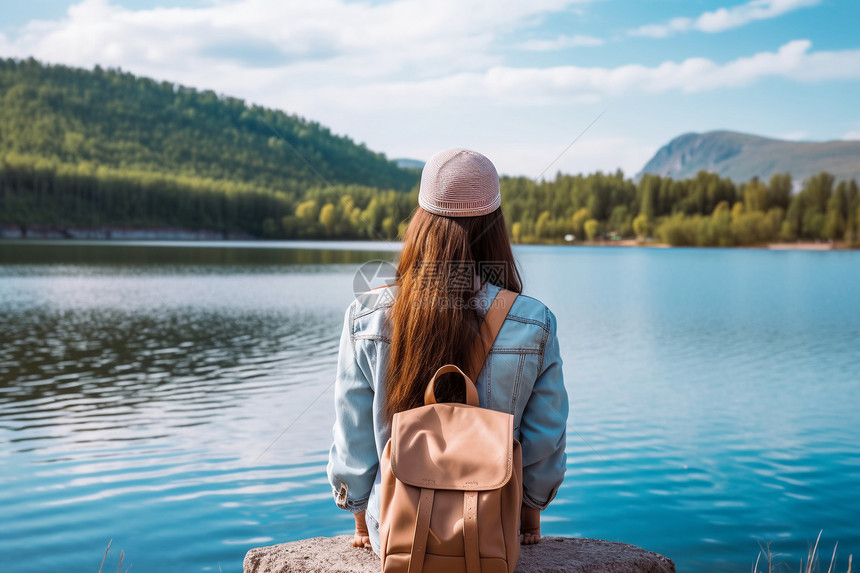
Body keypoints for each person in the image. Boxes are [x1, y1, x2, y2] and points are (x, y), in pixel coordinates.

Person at [327, 148, 568, 555]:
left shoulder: (365, 315)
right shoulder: (534, 321)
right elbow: (544, 440)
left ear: (421, 224)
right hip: (492, 528)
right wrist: (529, 516)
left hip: (395, 524)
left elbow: (354, 436)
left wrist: (360, 517)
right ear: (495, 227)